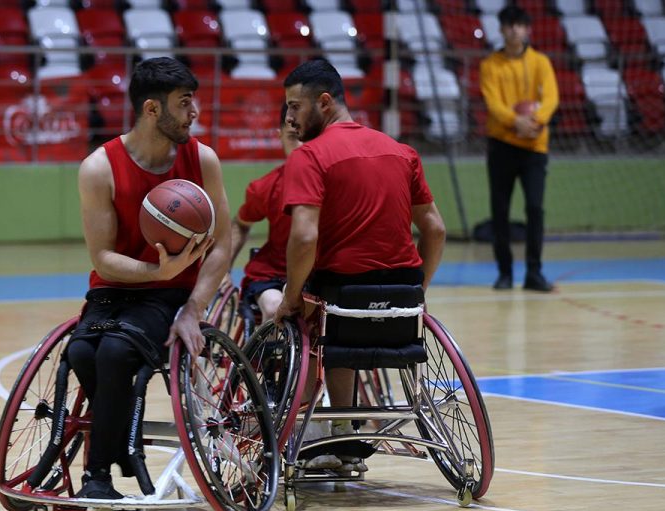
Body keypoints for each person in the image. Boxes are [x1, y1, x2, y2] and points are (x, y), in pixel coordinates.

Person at [66, 57, 231, 499]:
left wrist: (193, 308)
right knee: (82, 352)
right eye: (184, 103)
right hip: (114, 290)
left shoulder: (203, 160)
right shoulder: (99, 168)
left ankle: (96, 478)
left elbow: (223, 245)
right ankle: (122, 445)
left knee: (115, 354)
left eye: (192, 100)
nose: (194, 112)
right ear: (152, 110)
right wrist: (155, 268)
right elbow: (102, 258)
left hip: (171, 295)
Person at [272, 58, 447, 469]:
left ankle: (337, 430)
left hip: (340, 300)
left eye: (296, 106)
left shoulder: (308, 157)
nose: (289, 118)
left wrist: (291, 297)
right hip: (403, 297)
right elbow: (435, 230)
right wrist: (418, 289)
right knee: (343, 306)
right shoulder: (402, 151)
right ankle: (346, 432)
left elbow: (304, 237)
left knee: (310, 316)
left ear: (326, 102)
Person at [480, 5, 560, 292]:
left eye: (519, 25)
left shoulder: (541, 63)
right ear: (501, 29)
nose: (514, 29)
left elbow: (550, 99)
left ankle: (534, 273)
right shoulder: (490, 65)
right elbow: (493, 104)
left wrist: (534, 121)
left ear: (527, 29)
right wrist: (516, 122)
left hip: (534, 147)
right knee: (500, 210)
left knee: (535, 209)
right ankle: (504, 273)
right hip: (502, 145)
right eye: (509, 25)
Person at [229, 104, 302, 323]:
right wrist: (224, 271)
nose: (301, 147)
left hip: (320, 274)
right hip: (274, 275)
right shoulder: (265, 187)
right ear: (279, 136)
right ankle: (267, 357)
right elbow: (240, 224)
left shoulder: (338, 185)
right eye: (292, 137)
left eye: (307, 137)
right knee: (272, 308)